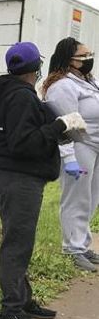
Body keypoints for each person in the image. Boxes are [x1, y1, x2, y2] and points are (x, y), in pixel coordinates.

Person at [0, 41, 85, 319]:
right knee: (17, 244)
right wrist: (58, 125)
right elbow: (22, 143)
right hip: (18, 178)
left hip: (14, 177)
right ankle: (11, 310)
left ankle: (23, 299)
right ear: (36, 67)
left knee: (21, 242)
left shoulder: (13, 93)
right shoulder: (21, 97)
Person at [42, 37, 99, 272]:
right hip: (79, 145)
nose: (89, 59)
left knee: (91, 198)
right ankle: (72, 249)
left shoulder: (90, 82)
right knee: (77, 198)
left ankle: (83, 245)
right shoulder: (62, 86)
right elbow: (63, 124)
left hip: (95, 146)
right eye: (84, 56)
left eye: (90, 54)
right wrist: (69, 158)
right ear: (70, 61)